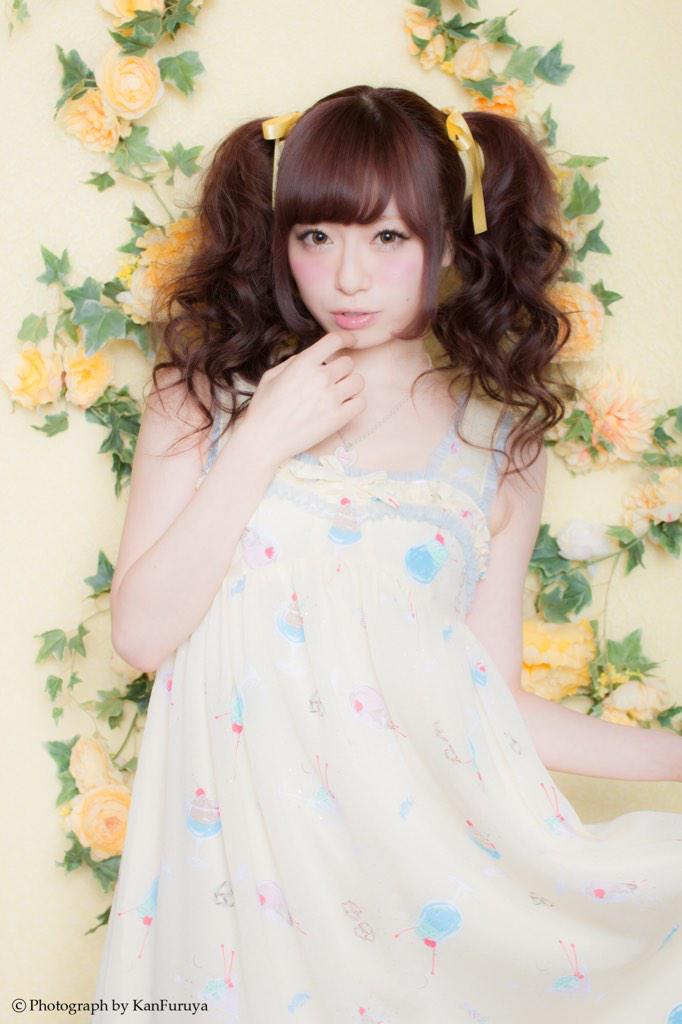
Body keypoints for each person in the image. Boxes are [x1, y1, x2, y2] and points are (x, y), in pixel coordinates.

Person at [93, 86, 682, 1024]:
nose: (348, 277)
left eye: (388, 238)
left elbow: (491, 707)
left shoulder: (495, 448)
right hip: (233, 905)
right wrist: (262, 437)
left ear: (447, 241)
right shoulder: (202, 402)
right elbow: (141, 634)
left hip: (410, 906)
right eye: (316, 235)